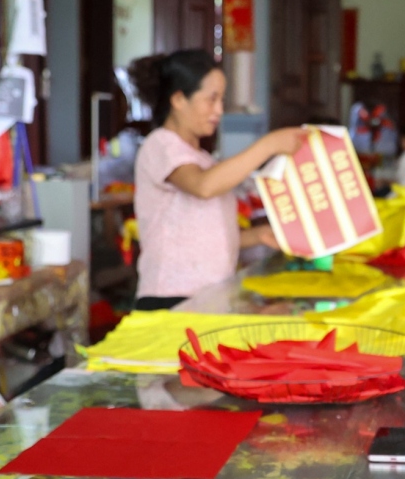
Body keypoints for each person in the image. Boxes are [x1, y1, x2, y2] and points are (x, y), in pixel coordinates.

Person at [129, 49, 304, 310]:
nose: (219, 110)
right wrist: (268, 145)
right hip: (171, 299)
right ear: (178, 99)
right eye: (211, 99)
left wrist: (257, 236)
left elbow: (203, 234)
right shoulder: (161, 145)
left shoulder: (202, 159)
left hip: (207, 298)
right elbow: (203, 186)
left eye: (222, 99)